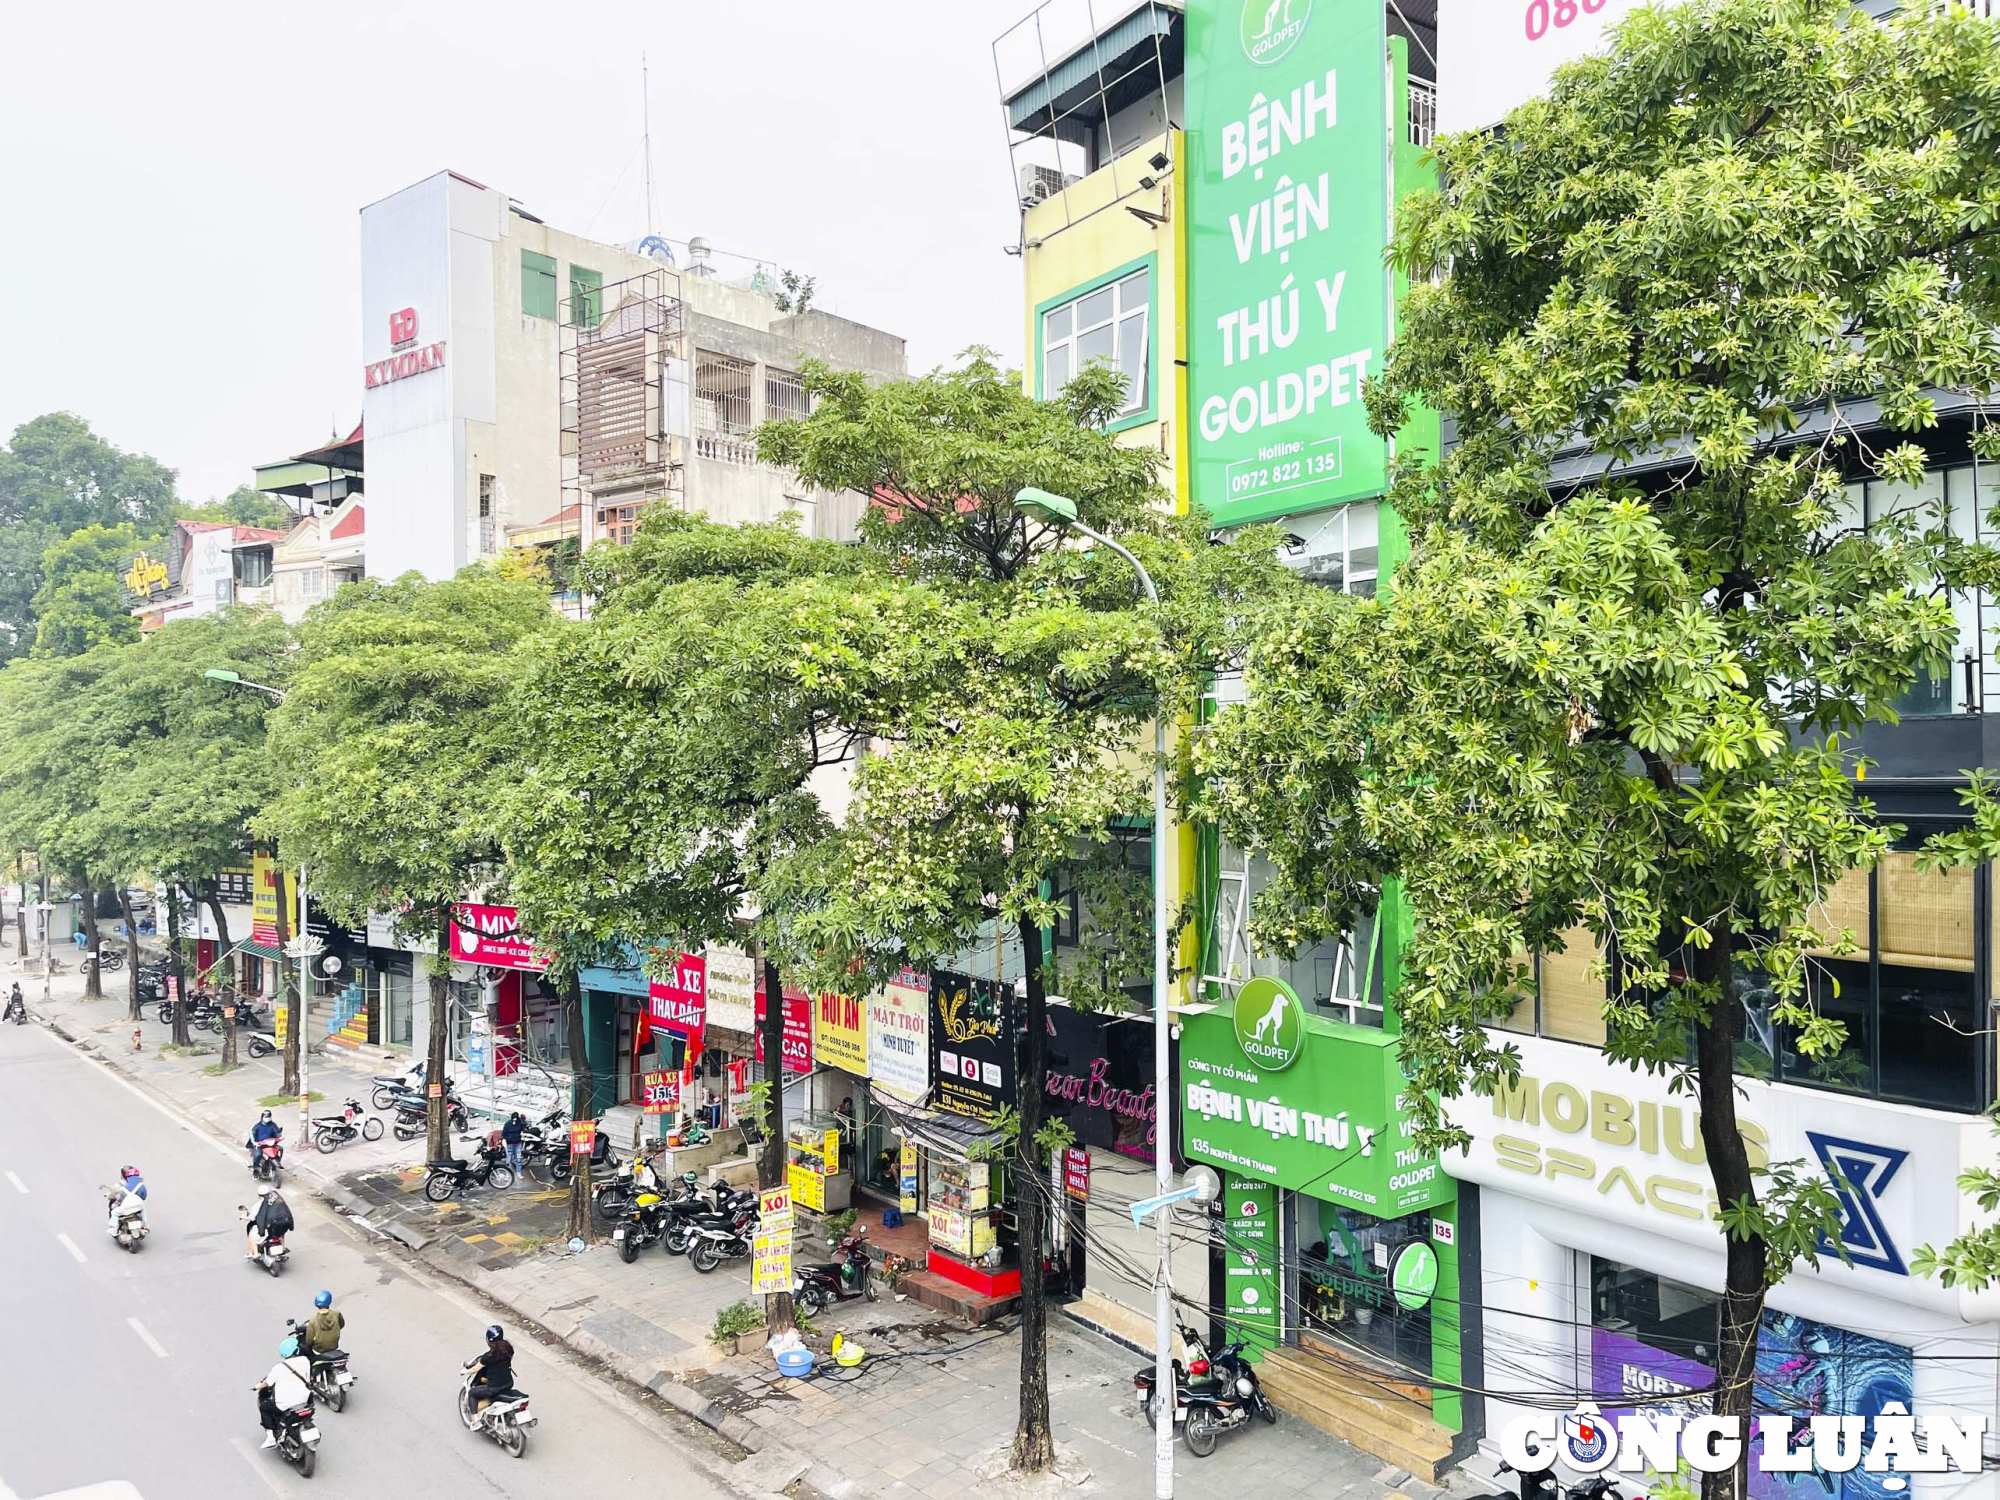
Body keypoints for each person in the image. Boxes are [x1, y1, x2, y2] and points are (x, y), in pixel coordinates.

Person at [254, 1337, 314, 1447]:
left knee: (264, 1408)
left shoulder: (278, 1368)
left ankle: (270, 1437)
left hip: (285, 1405)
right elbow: (308, 1379)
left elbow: (268, 1383)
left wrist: (258, 1386)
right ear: (296, 1350)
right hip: (305, 1400)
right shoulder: (305, 1361)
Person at [466, 1324, 515, 1414]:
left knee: (472, 1393)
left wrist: (465, 1371)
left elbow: (475, 1369)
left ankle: (475, 1419)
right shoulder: (509, 1349)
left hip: (494, 1388)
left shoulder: (488, 1356)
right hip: (508, 1383)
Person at [245, 1185, 293, 1260]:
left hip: (268, 1227)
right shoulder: (277, 1199)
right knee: (281, 1233)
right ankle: (283, 1247)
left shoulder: (259, 1204)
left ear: (259, 1195)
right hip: (282, 1223)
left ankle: (255, 1254)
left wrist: (244, 1217)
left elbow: (252, 1217)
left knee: (251, 1235)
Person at [303, 1290, 344, 1358]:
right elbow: (341, 1325)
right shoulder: (336, 1314)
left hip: (319, 1349)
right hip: (334, 1346)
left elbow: (309, 1339)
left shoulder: (313, 1320)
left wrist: (308, 1345)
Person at [500, 1111, 525, 1182]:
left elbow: (523, 1129)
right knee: (509, 1159)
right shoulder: (507, 1124)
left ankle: (518, 1173)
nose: (514, 1121)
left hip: (518, 1143)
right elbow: (504, 1134)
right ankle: (508, 1174)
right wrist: (505, 1142)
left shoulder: (520, 1123)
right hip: (510, 1144)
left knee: (518, 1159)